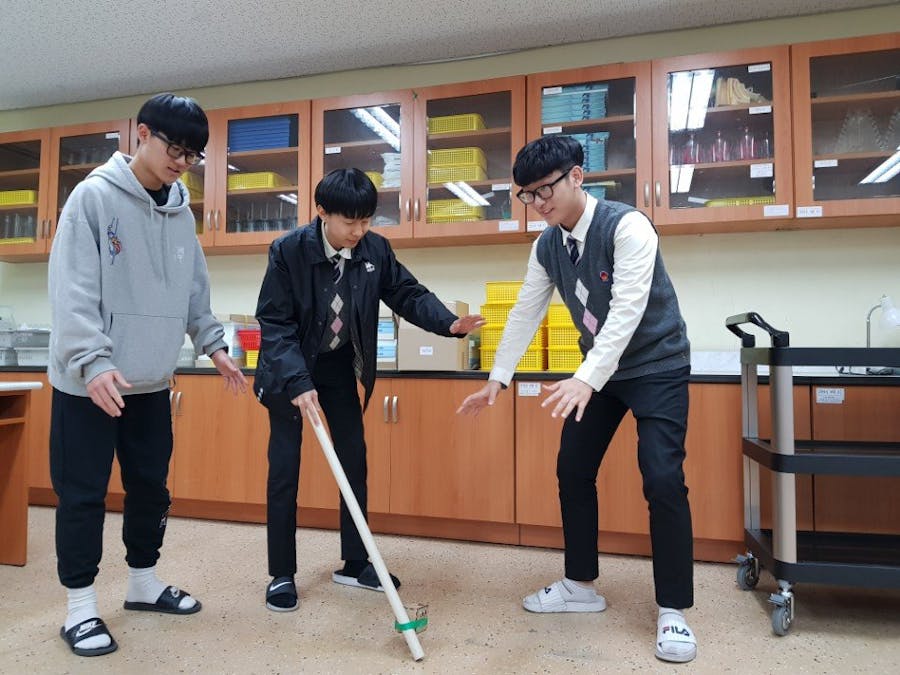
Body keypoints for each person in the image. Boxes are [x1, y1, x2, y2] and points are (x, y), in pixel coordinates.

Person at [457, 135, 696, 663]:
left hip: (657, 366)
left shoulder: (628, 226)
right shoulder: (547, 246)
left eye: (545, 190)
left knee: (662, 477)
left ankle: (673, 609)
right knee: (573, 467)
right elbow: (526, 311)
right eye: (527, 195)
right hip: (599, 373)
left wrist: (586, 378)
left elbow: (628, 311)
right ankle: (580, 585)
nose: (537, 203)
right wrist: (497, 378)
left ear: (577, 177)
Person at [47, 93, 247, 657]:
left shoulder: (181, 212)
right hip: (89, 383)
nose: (182, 162)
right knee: (83, 494)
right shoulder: (92, 197)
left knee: (151, 489)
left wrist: (213, 345)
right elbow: (72, 289)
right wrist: (92, 361)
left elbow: (193, 289)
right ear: (141, 134)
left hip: (151, 382)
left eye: (193, 155)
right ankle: (80, 607)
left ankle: (142, 583)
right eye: (174, 149)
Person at [254, 168, 484, 612]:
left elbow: (407, 293)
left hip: (339, 367)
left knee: (354, 461)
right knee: (285, 469)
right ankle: (282, 573)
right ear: (322, 212)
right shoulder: (288, 251)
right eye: (349, 222)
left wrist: (448, 324)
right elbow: (275, 324)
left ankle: (356, 562)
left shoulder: (374, 249)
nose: (358, 231)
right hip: (289, 370)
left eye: (365, 221)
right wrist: (298, 382)